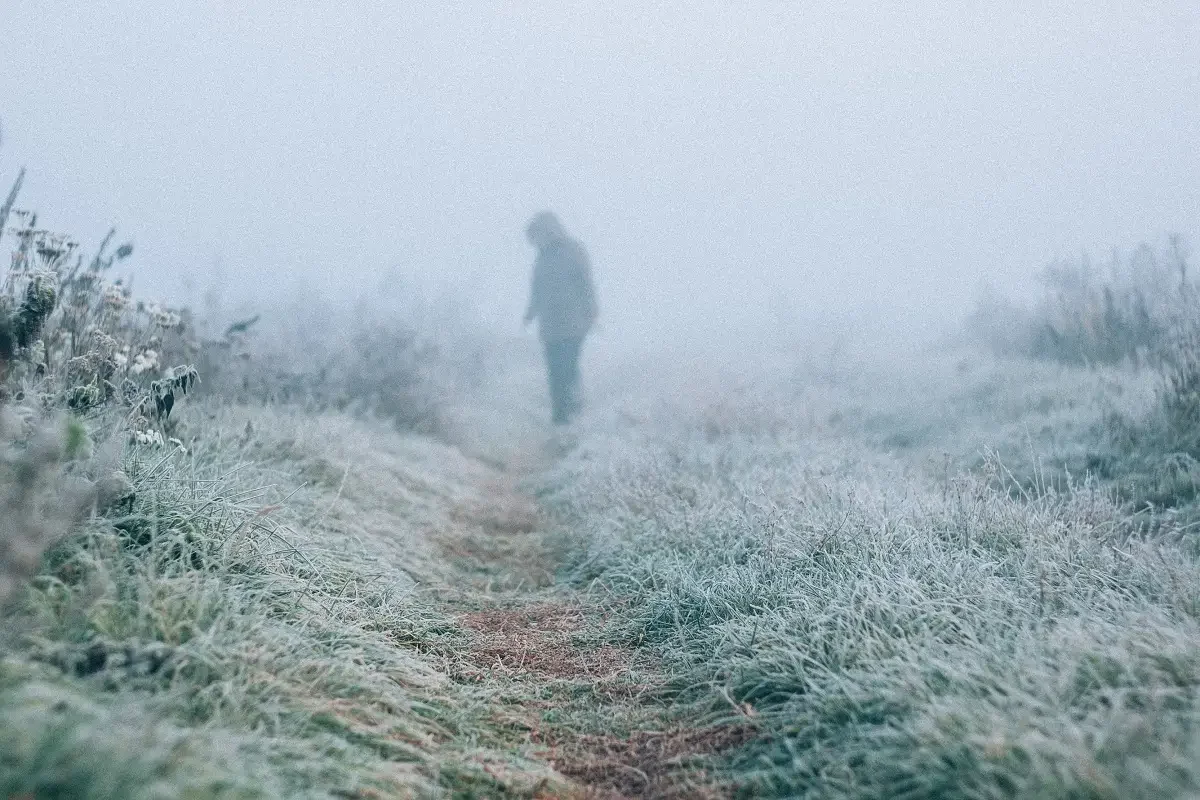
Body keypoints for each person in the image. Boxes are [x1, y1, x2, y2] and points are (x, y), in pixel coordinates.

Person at [522, 211, 598, 425]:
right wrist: (530, 313)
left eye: (537, 236)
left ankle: (573, 415)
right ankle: (560, 418)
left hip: (573, 325)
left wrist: (591, 312)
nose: (536, 242)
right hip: (550, 328)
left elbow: (586, 284)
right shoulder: (542, 259)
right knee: (555, 374)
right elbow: (536, 290)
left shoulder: (574, 251)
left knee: (568, 370)